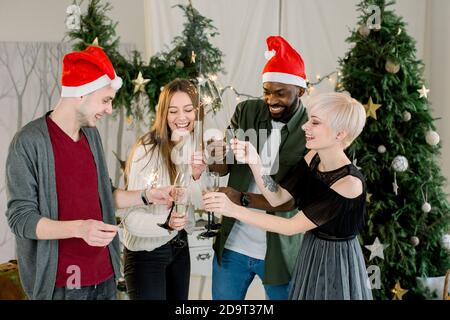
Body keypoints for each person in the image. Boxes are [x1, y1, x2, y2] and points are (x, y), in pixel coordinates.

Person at [5, 45, 172, 300]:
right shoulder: (28, 142)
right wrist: (80, 228)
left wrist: (147, 195)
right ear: (81, 94)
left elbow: (105, 195)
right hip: (62, 285)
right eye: (106, 100)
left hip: (104, 277)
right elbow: (21, 219)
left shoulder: (91, 136)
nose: (109, 109)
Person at [203, 92, 373, 300]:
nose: (305, 127)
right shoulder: (314, 157)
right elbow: (278, 197)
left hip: (335, 262)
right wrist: (255, 162)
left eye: (315, 123)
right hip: (311, 252)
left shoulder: (348, 184)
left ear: (340, 134)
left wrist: (233, 209)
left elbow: (290, 227)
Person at [206, 36, 309, 300]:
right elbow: (221, 168)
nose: (271, 99)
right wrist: (214, 153)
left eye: (280, 93)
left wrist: (239, 199)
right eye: (266, 90)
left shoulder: (310, 130)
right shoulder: (247, 112)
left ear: (301, 90)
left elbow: (291, 200)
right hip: (232, 246)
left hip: (281, 252)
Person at [121, 78, 206, 300]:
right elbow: (129, 218)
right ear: (163, 114)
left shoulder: (192, 145)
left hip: (179, 248)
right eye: (173, 111)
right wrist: (165, 224)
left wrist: (197, 176)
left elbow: (197, 202)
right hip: (145, 255)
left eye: (188, 110)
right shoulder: (146, 150)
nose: (182, 118)